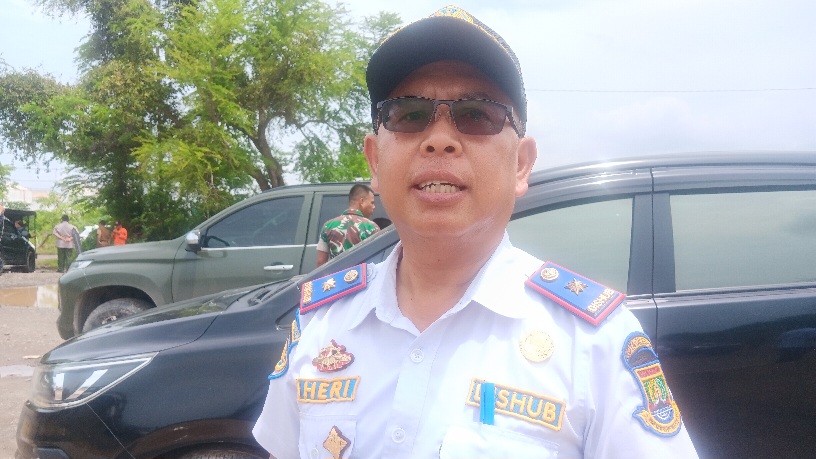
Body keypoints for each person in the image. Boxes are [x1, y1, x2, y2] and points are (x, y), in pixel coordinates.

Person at [254, 6, 698, 458]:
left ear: (521, 165)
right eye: (409, 114)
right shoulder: (321, 324)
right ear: (374, 161)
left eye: (477, 115)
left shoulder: (591, 343)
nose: (439, 139)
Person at [315, 183, 380, 267]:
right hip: (361, 274)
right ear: (362, 201)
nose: (374, 207)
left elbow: (320, 262)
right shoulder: (372, 227)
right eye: (372, 203)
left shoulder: (328, 226)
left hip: (337, 274)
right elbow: (377, 260)